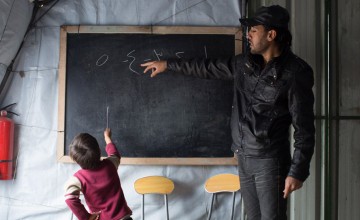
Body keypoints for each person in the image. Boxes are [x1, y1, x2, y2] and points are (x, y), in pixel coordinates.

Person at [141, 5, 315, 220]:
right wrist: (169, 64)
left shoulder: (296, 73)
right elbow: (206, 67)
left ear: (271, 35)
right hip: (243, 157)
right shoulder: (244, 65)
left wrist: (297, 171)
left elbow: (304, 129)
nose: (247, 35)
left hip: (270, 162)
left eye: (253, 30)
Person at [64, 128, 132, 220]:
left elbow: (70, 199)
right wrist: (107, 137)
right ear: (99, 151)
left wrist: (87, 217)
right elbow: (115, 154)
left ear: (76, 160)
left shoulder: (78, 179)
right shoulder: (111, 164)